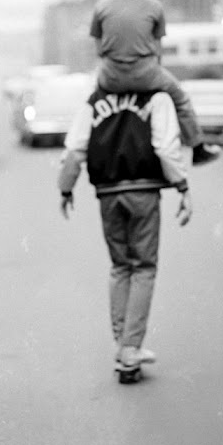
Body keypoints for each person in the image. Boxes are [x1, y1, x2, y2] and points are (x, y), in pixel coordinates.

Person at [58, 85, 192, 380]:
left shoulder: (95, 99)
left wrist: (66, 187)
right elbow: (165, 146)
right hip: (144, 192)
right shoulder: (156, 97)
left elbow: (75, 148)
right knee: (144, 267)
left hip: (107, 194)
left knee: (120, 266)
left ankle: (123, 345)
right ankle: (130, 348)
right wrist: (182, 186)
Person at [89, 0, 220, 166]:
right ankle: (197, 147)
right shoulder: (154, 7)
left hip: (111, 77)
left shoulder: (101, 8)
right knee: (181, 99)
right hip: (146, 75)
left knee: (90, 106)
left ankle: (85, 146)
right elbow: (158, 53)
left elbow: (99, 50)